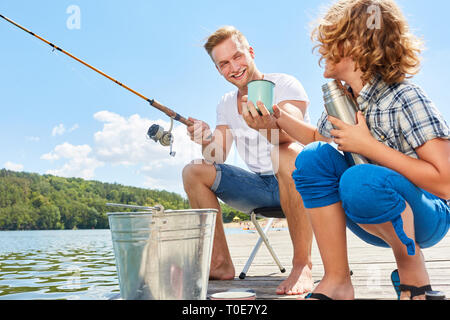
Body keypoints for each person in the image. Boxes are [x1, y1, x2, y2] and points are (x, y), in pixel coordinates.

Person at [273, 0, 450, 300]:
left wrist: (370, 147)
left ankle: (412, 271)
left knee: (360, 178)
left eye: (330, 38)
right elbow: (318, 138)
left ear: (356, 43)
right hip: (368, 208)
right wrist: (277, 118)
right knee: (313, 157)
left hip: (427, 214)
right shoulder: (343, 100)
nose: (320, 48)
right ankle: (338, 281)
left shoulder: (404, 96)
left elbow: (445, 182)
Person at [182, 26, 314, 295]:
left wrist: (266, 127)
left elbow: (293, 134)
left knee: (284, 154)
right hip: (259, 188)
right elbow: (217, 156)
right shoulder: (226, 102)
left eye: (238, 57)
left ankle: (302, 265)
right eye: (224, 64)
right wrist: (205, 137)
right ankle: (219, 263)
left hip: (300, 181)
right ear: (219, 70)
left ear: (251, 53)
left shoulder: (285, 84)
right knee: (194, 171)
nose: (234, 67)